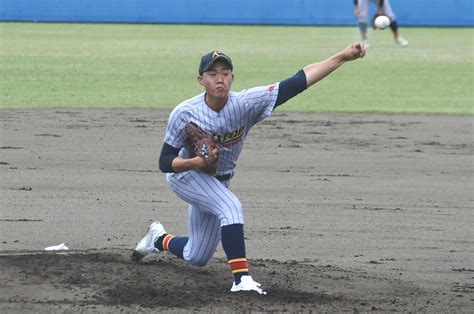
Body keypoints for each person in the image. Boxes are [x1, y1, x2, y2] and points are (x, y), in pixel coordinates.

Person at [131, 42, 366, 294]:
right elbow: (165, 162)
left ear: (232, 77)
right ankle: (241, 279)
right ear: (201, 80)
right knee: (230, 207)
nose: (219, 79)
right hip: (187, 175)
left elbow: (298, 81)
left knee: (196, 255)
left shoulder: (246, 103)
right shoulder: (185, 113)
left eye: (224, 73)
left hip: (219, 180)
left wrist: (343, 57)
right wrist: (196, 162)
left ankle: (157, 238)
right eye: (212, 74)